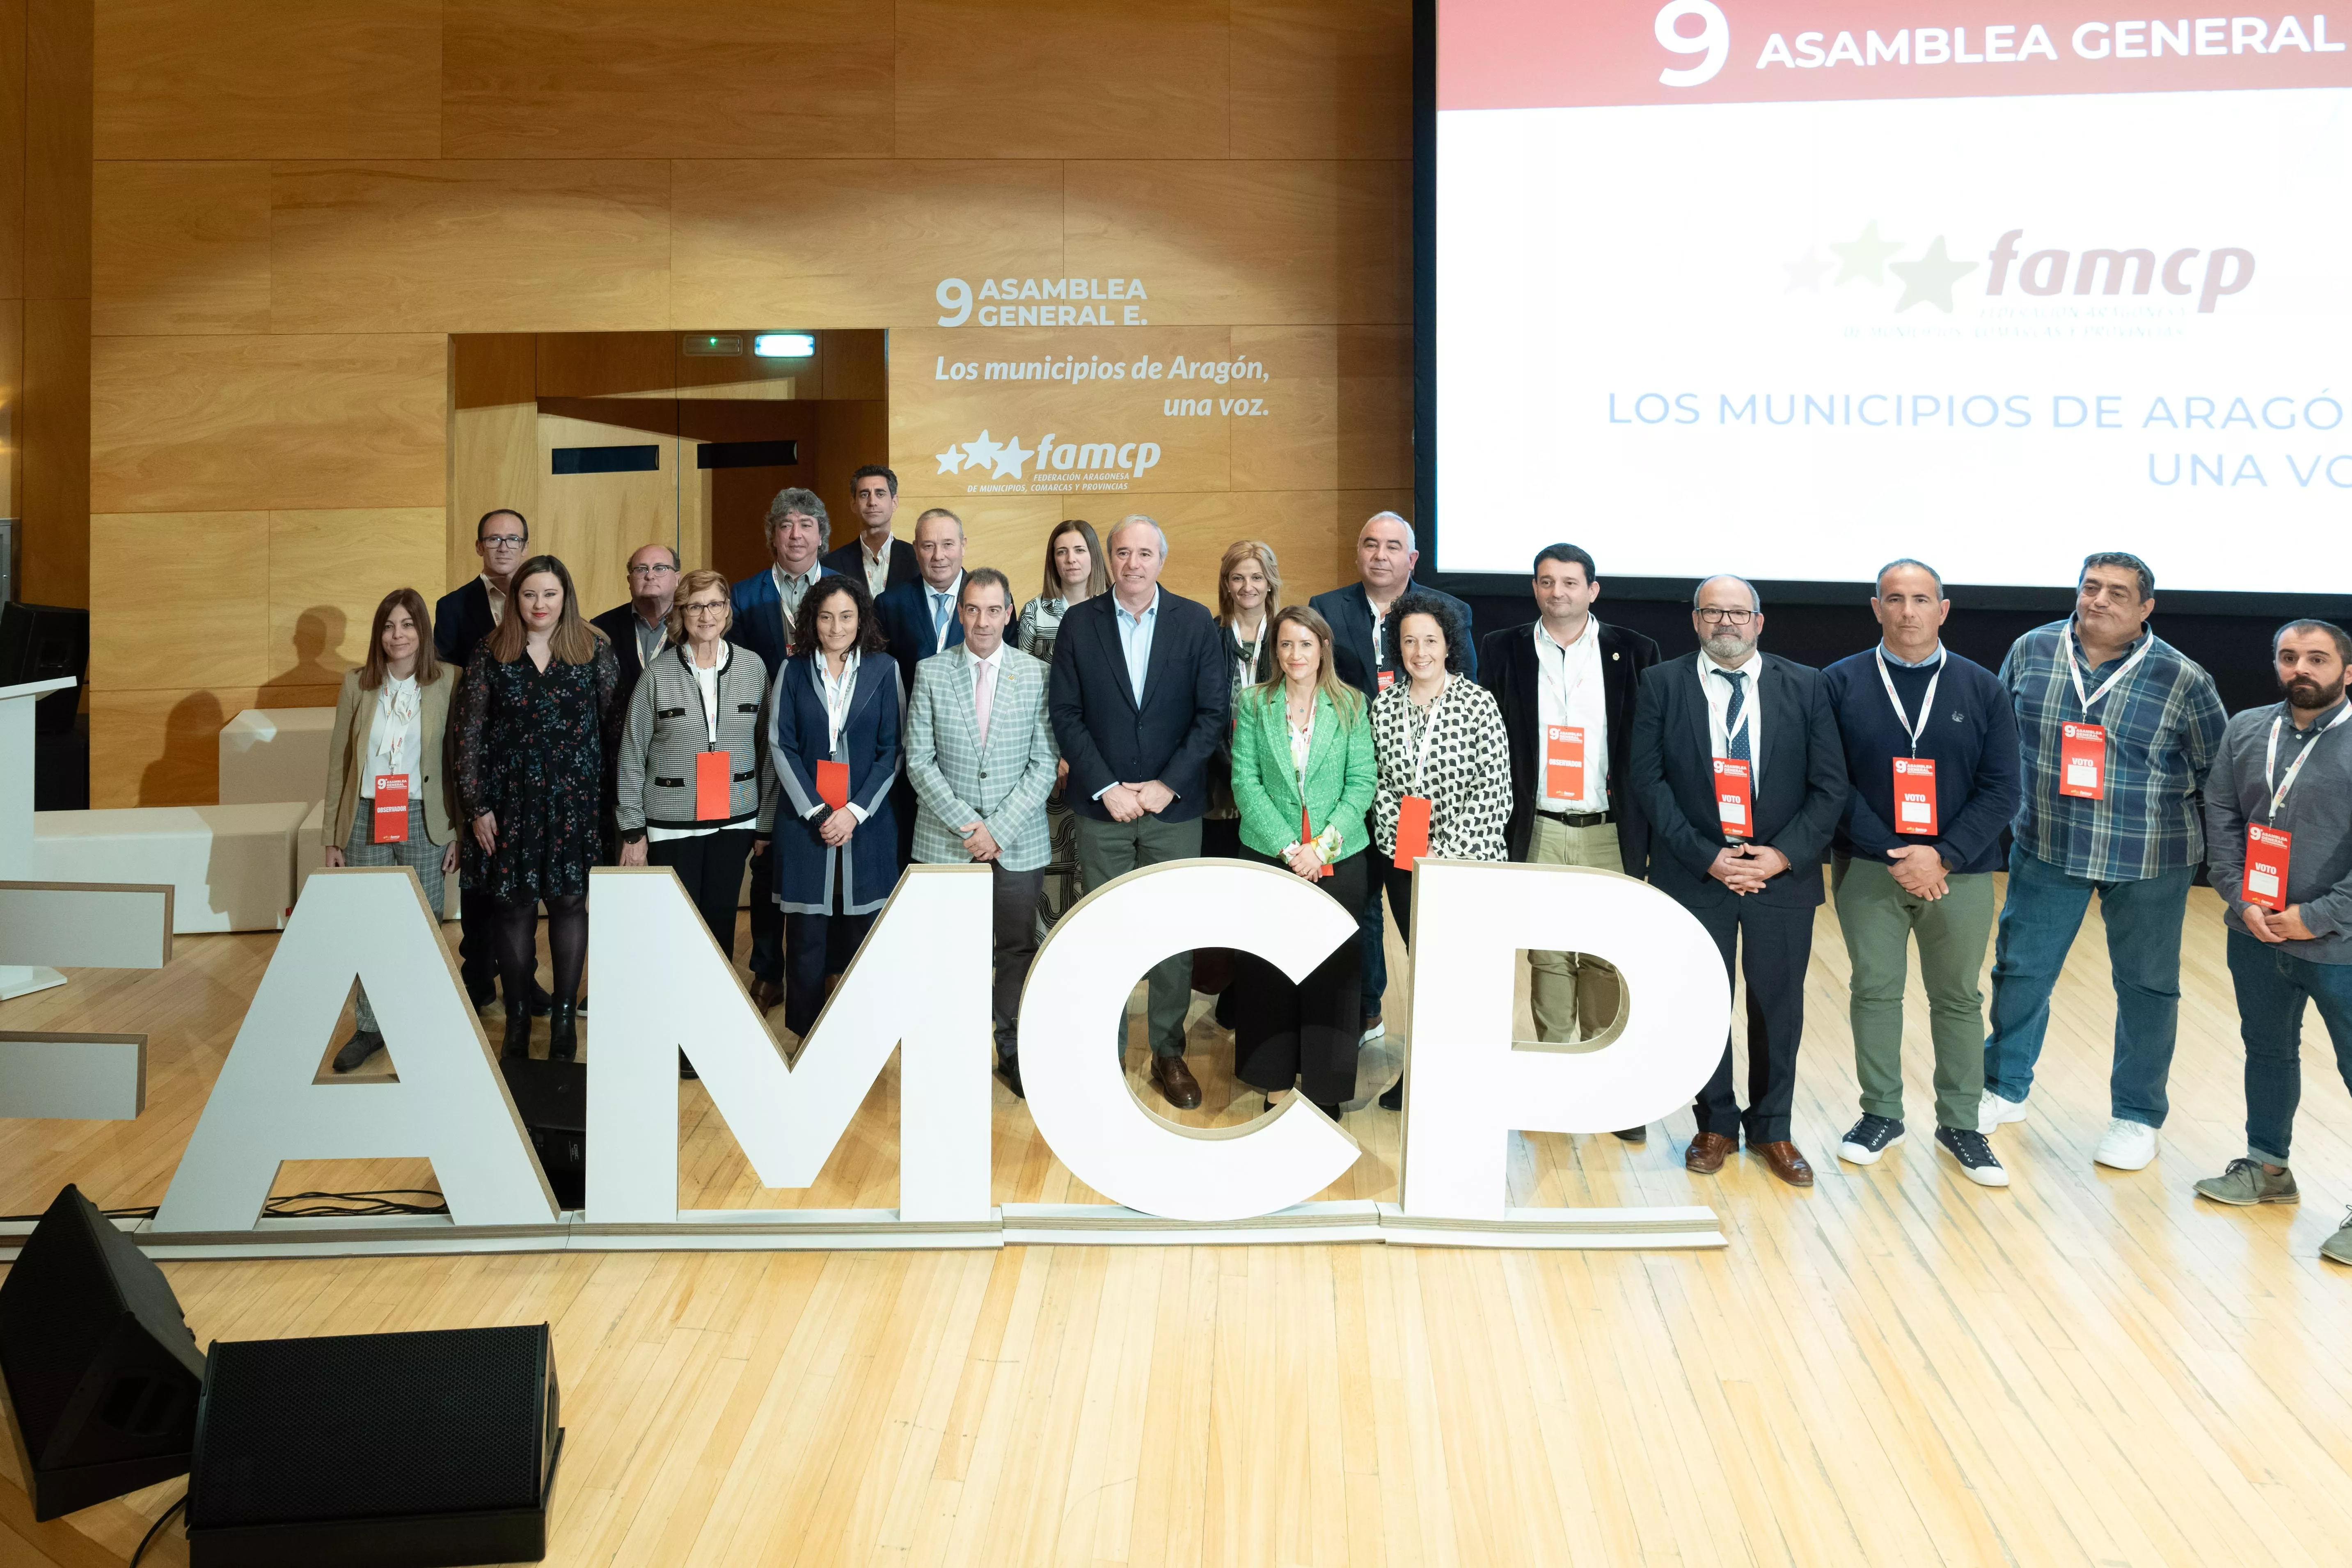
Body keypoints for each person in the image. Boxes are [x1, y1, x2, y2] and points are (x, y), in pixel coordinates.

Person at [1979, 552, 2228, 1172]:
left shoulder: (2181, 677)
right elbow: (1996, 740)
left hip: (2148, 855)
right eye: (2090, 587)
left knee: (2144, 988)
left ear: (2145, 609)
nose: (2098, 601)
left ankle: (2135, 1118)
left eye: (2118, 593)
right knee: (2020, 971)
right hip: (2047, 845)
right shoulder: (2031, 649)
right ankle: (2003, 1089)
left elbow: (2215, 771)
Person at [1626, 575, 1847, 1187]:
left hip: (1780, 876)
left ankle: (1773, 1127)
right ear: (1695, 620)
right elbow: (1647, 782)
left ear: (1759, 620)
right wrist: (1707, 857)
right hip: (1696, 872)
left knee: (1778, 1006)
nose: (1725, 623)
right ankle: (1715, 1122)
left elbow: (1830, 786)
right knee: (1702, 1001)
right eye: (1712, 612)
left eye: (1737, 613)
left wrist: (1778, 857)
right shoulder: (1661, 684)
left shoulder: (1806, 685)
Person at [1820, 560, 2021, 1187]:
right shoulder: (1838, 682)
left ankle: (1961, 1122)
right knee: (1874, 991)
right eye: (1894, 599)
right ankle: (1879, 1113)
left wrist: (1942, 854)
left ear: (1943, 609)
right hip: (1868, 867)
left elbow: (2001, 789)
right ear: (1875, 607)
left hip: (1956, 871)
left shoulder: (1980, 686)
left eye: (1921, 599)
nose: (1908, 611)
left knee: (1957, 997)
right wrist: (1896, 853)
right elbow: (1830, 782)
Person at [1047, 515, 1228, 1109]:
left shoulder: (1194, 621)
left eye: (1143, 552)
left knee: (1172, 932)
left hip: (1171, 810)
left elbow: (1210, 715)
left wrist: (1164, 786)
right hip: (1103, 810)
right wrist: (1107, 787)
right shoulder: (1079, 623)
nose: (1132, 563)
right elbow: (1066, 715)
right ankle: (1107, 1046)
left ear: (1161, 559)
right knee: (1104, 929)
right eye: (1122, 552)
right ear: (1111, 558)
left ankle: (1167, 1050)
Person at [1477, 543, 1660, 1098]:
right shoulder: (1500, 648)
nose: (1556, 592)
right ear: (1534, 587)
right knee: (1548, 953)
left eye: (1569, 582)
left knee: (1606, 954)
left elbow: (1649, 747)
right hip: (1538, 824)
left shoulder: (1633, 650)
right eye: (1545, 581)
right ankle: (1553, 1077)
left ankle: (1602, 1078)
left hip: (1608, 825)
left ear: (1592, 590)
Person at [2195, 620, 2352, 1265]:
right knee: (2265, 1050)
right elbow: (2222, 817)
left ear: (2347, 670)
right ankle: (2266, 1170)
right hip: (2255, 931)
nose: (2300, 670)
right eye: (2288, 658)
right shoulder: (2246, 728)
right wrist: (2242, 899)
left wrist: (2315, 914)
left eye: (2316, 658)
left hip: (2337, 942)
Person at [1309, 511, 1477, 1046]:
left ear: (1412, 559)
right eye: (1370, 544)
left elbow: (1464, 686)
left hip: (1420, 794)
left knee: (1417, 916)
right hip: (1351, 783)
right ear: (1358, 553)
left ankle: (1438, 1037)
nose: (1380, 555)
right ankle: (1366, 1009)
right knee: (1360, 905)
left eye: (1392, 546)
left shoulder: (1446, 611)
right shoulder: (1326, 609)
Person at [453, 554, 620, 1061]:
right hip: (508, 805)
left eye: (549, 594)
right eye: (529, 595)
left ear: (565, 596)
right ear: (514, 599)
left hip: (576, 803)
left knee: (570, 905)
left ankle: (566, 1016)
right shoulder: (490, 651)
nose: (540, 604)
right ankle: (520, 1014)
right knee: (513, 908)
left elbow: (614, 734)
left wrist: (614, 812)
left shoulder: (594, 650)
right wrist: (477, 805)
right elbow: (468, 733)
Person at [903, 568, 1059, 1099]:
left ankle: (1010, 1049)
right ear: (960, 612)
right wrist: (970, 828)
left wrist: (998, 829)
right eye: (972, 609)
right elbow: (918, 762)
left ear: (1009, 612)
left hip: (1018, 843)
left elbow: (1044, 763)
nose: (982, 620)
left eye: (993, 610)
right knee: (948, 951)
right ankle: (953, 1052)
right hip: (945, 843)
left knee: (1016, 948)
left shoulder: (1035, 674)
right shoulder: (929, 672)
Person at [614, 569, 776, 1077]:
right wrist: (632, 831)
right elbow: (632, 751)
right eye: (695, 607)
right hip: (672, 822)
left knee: (722, 926)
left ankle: (711, 1030)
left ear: (729, 611)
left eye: (715, 605)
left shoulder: (753, 667)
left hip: (735, 820)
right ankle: (675, 1031)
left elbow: (768, 751)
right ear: (681, 616)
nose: (706, 615)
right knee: (680, 932)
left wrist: (764, 824)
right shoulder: (658, 674)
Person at [1227, 606, 1377, 1119]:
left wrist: (1322, 849)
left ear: (1323, 650)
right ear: (1276, 651)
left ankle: (1325, 1083)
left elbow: (1362, 785)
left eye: (1306, 645)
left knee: (1331, 973)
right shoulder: (1254, 703)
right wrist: (1292, 849)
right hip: (1270, 855)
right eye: (1286, 645)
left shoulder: (1352, 704)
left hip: (1339, 858)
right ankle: (1273, 1075)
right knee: (1270, 967)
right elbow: (1245, 782)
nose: (1295, 655)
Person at [1370, 592, 1511, 1109]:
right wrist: (1409, 849)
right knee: (1424, 970)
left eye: (1429, 639)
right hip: (1406, 865)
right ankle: (1423, 1072)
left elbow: (1494, 791)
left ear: (1448, 644)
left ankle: (1471, 1076)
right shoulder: (1384, 706)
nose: (1419, 651)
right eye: (1409, 640)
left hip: (1465, 867)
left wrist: (1444, 855)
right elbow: (1379, 786)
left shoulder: (1478, 703)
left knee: (1464, 973)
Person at [320, 588, 461, 1074]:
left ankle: (421, 1021)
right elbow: (340, 762)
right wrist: (332, 835)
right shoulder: (356, 684)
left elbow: (457, 762)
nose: (397, 635)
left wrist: (457, 831)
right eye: (388, 626)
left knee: (423, 926)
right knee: (372, 924)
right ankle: (370, 1025)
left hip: (426, 820)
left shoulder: (449, 681)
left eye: (407, 624)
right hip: (365, 816)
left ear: (423, 631)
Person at [769, 576, 901, 1040]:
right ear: (812, 619)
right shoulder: (793, 669)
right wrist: (819, 812)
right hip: (806, 826)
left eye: (846, 616)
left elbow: (893, 751)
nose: (836, 626)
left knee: (862, 936)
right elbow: (780, 746)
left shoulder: (885, 670)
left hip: (867, 827)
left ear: (861, 618)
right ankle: (805, 1039)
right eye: (826, 616)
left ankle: (860, 1038)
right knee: (805, 940)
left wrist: (854, 811)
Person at [728, 488, 835, 1013]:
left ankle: (829, 967)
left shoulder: (847, 590)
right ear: (772, 534)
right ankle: (769, 969)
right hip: (763, 747)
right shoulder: (744, 596)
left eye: (807, 525)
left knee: (829, 850)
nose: (797, 535)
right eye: (786, 525)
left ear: (822, 535)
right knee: (768, 856)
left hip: (828, 746)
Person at [434, 507, 538, 1015]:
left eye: (512, 538)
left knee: (524, 880)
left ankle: (525, 976)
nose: (503, 547)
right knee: (480, 875)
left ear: (525, 545)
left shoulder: (543, 599)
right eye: (493, 539)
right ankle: (478, 973)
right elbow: (449, 693)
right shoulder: (453, 607)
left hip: (531, 763)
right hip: (478, 757)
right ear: (478, 547)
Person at [1205, 539, 1280, 861]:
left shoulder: (1288, 636)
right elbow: (1202, 714)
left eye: (1257, 577)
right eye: (1238, 578)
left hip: (1277, 785)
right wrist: (1236, 776)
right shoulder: (1207, 635)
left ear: (1270, 583)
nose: (1247, 586)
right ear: (1226, 583)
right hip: (1218, 786)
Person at [591, 543, 680, 704]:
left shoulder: (694, 624)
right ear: (629, 581)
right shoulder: (601, 627)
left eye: (660, 568)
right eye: (641, 569)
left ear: (677, 579)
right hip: (621, 724)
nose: (650, 576)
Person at [1015, 518, 1107, 664]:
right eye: (1062, 552)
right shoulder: (1033, 612)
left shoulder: (1115, 607)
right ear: (1053, 560)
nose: (1071, 559)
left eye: (1080, 550)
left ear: (1093, 556)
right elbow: (1026, 674)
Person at [821, 465, 919, 599]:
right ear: (854, 504)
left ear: (895, 502)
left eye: (880, 494)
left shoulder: (917, 559)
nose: (872, 502)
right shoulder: (832, 564)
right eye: (865, 495)